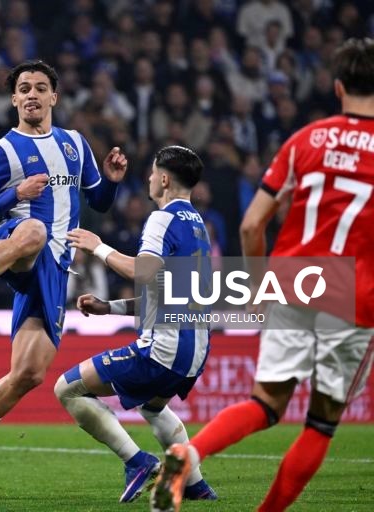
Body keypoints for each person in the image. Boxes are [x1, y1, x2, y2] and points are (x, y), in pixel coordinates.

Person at [152, 38, 374, 512]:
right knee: (321, 424)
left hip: (295, 282)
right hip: (354, 294)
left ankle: (188, 452)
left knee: (265, 404)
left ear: (338, 87)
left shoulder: (306, 140)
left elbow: (252, 224)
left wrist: (259, 287)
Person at [0, 59, 124, 492]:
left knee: (29, 375)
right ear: (13, 99)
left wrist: (111, 180)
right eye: (24, 88)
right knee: (34, 229)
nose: (32, 94)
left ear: (54, 97)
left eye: (40, 87)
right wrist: (17, 192)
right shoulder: (1, 150)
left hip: (56, 270)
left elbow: (100, 203)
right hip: (21, 245)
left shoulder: (75, 143)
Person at [59, 146, 217, 503]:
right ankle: (195, 485)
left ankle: (138, 462)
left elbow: (143, 271)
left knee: (67, 389)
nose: (148, 178)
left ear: (164, 179)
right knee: (152, 406)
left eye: (152, 172)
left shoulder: (162, 219)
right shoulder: (198, 226)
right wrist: (109, 307)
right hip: (195, 350)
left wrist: (98, 247)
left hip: (164, 350)